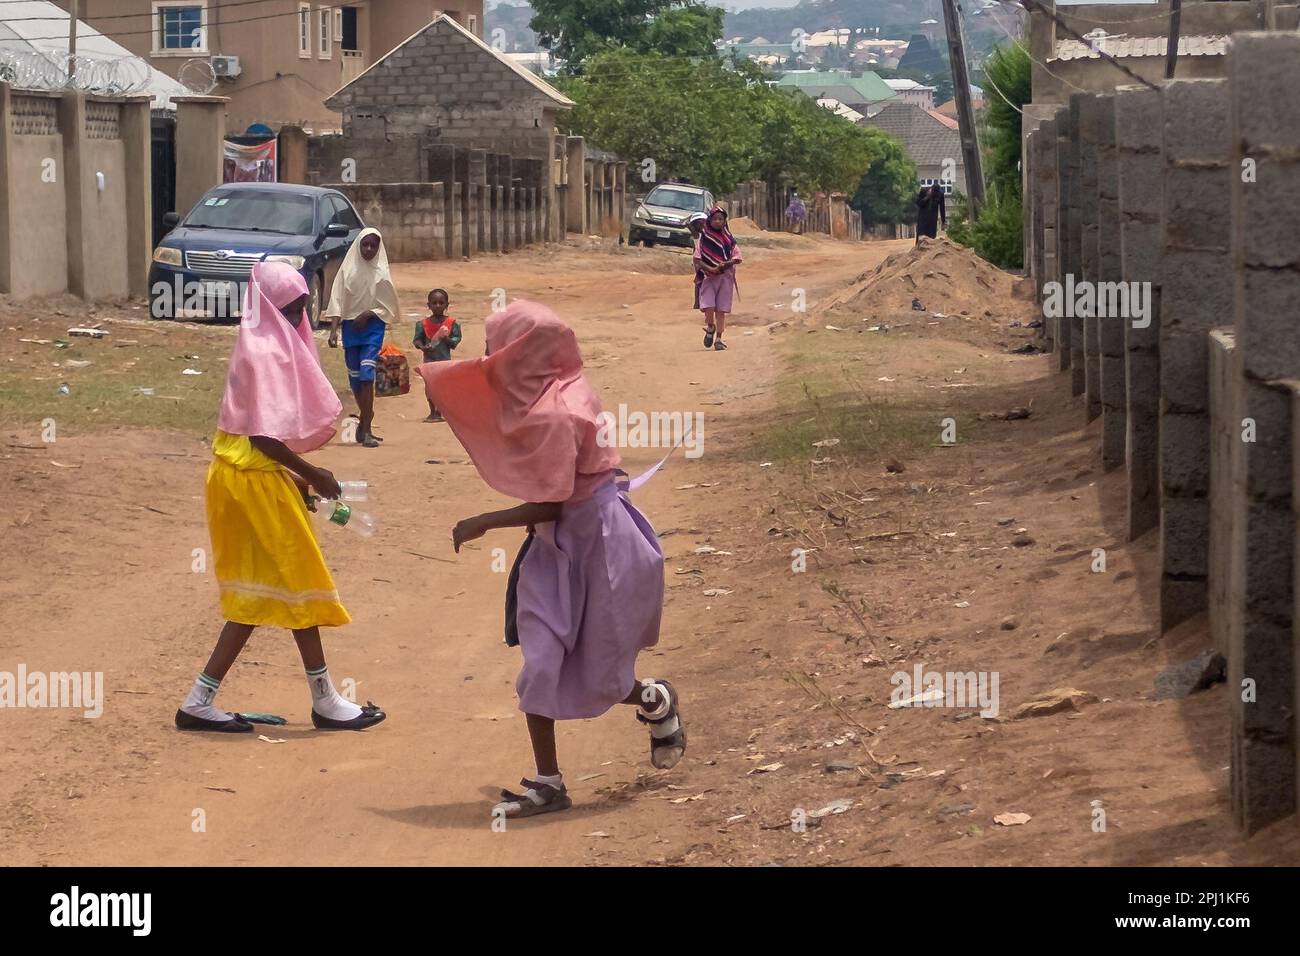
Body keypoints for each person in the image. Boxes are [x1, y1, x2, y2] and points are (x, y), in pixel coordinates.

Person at [416, 301, 686, 819]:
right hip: (553, 548)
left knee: (599, 667)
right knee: (542, 660)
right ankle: (549, 782)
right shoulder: (551, 390)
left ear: (524, 353)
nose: (491, 362)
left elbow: (556, 500)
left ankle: (654, 699)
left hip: (599, 545)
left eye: (498, 352)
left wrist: (483, 523)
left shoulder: (561, 410)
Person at [175, 261, 386, 734]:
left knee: (262, 589)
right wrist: (314, 473)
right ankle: (325, 701)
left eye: (302, 310)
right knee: (298, 579)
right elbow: (263, 439)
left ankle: (200, 699)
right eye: (290, 310)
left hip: (242, 477)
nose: (298, 320)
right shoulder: (264, 354)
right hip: (249, 478)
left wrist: (292, 483)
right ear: (267, 307)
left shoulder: (258, 344)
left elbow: (252, 442)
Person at [326, 228, 399, 448]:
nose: (368, 249)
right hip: (350, 328)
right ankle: (366, 417)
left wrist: (368, 314)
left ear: (379, 248)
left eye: (373, 246)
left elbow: (388, 306)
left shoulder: (381, 274)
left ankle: (366, 428)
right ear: (358, 245)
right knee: (356, 378)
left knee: (367, 373)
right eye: (365, 245)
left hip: (373, 327)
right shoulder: (347, 270)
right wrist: (333, 330)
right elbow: (337, 299)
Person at [695, 205, 742, 352]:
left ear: (725, 221)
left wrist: (725, 264)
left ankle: (719, 339)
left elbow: (737, 257)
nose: (717, 221)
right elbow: (697, 259)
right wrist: (711, 269)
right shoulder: (703, 239)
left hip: (725, 278)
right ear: (710, 220)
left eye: (720, 219)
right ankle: (710, 326)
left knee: (721, 310)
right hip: (708, 278)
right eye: (714, 218)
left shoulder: (729, 240)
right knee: (708, 307)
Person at [412, 288, 462, 422]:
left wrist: (446, 339)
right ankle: (432, 411)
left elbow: (455, 342)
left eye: (441, 303)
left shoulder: (452, 324)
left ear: (447, 305)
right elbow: (417, 340)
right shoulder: (422, 324)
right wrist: (422, 347)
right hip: (429, 360)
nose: (438, 306)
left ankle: (440, 410)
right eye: (434, 303)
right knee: (430, 386)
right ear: (429, 305)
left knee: (443, 387)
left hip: (444, 361)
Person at [686, 212, 708, 311]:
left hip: (708, 259)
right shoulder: (697, 235)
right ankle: (697, 302)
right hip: (698, 260)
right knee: (699, 279)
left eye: (704, 223)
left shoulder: (709, 234)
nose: (702, 225)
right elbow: (687, 224)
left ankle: (703, 302)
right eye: (699, 223)